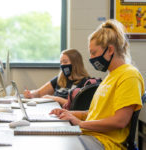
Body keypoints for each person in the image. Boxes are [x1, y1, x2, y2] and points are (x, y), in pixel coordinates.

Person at [50, 19, 145, 150]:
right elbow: (94, 113)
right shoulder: (110, 76)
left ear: (110, 50)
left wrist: (81, 124)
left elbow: (120, 121)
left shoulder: (129, 75)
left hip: (105, 143)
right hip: (91, 136)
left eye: (94, 52)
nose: (91, 57)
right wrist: (67, 113)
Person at [24, 49, 90, 106]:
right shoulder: (60, 79)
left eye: (65, 62)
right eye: (61, 62)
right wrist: (31, 94)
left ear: (75, 63)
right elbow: (39, 93)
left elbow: (77, 106)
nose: (62, 65)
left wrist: (54, 99)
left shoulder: (86, 82)